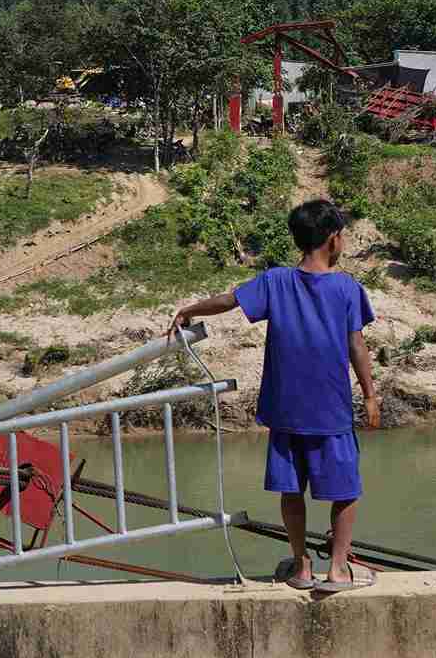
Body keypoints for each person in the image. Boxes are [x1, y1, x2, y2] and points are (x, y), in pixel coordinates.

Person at [170, 198, 380, 592]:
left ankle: (301, 565)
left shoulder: (275, 280)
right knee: (346, 490)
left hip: (285, 410)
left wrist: (188, 309)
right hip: (331, 410)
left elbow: (230, 300)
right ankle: (337, 569)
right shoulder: (347, 287)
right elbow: (356, 345)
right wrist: (370, 395)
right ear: (334, 240)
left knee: (291, 489)